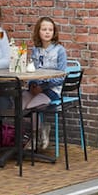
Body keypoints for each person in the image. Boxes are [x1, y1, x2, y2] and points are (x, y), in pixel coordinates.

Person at [26, 16, 67, 149]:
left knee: (32, 107)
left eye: (50, 29)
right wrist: (32, 84)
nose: (47, 32)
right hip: (37, 87)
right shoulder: (35, 50)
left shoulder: (59, 50)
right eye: (44, 29)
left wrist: (43, 86)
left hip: (52, 90)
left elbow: (61, 77)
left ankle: (36, 136)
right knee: (19, 103)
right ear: (38, 31)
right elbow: (33, 71)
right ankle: (37, 131)